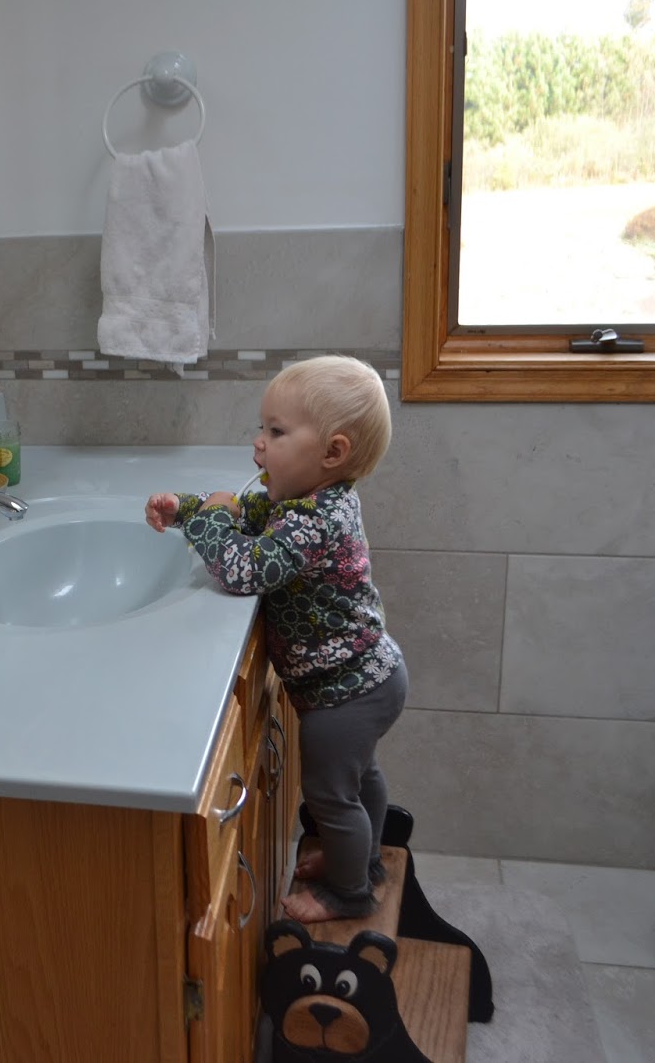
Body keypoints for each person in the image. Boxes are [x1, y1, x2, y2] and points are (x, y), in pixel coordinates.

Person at [144, 355, 406, 922]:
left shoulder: (314, 519)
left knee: (331, 795)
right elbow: (247, 511)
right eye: (262, 427)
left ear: (332, 452)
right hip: (370, 677)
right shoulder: (312, 498)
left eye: (277, 431)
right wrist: (189, 509)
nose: (258, 443)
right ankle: (358, 859)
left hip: (346, 695)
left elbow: (244, 569)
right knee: (360, 779)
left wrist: (211, 520)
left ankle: (349, 893)